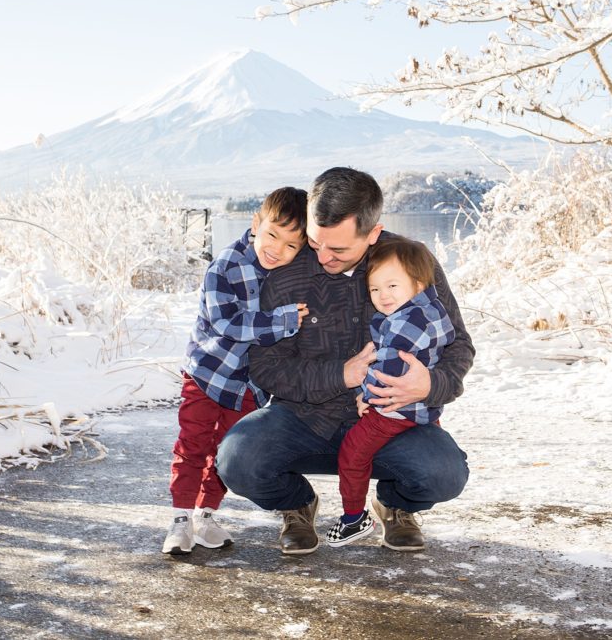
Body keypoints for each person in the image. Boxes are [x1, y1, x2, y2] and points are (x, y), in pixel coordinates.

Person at [217, 167, 473, 555]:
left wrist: (429, 385)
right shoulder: (286, 271)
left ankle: (395, 505)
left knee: (444, 474)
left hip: (388, 421)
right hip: (303, 417)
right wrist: (340, 375)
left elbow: (459, 346)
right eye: (315, 242)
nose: (321, 257)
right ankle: (296, 505)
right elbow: (267, 367)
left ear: (372, 234)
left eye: (337, 250)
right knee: (237, 459)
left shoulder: (410, 263)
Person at [162, 186, 310, 556]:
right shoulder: (226, 265)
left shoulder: (286, 274)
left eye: (292, 245)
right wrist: (282, 321)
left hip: (248, 385)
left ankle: (207, 515)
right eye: (273, 235)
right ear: (256, 223)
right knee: (194, 443)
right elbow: (228, 323)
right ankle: (180, 519)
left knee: (225, 452)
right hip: (208, 374)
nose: (277, 249)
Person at [324, 235, 455, 546]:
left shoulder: (403, 324)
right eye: (375, 288)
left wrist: (365, 395)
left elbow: (388, 370)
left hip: (393, 409)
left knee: (353, 451)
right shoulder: (430, 310)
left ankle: (353, 518)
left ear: (419, 283)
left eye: (392, 286)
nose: (382, 296)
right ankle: (393, 499)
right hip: (423, 409)